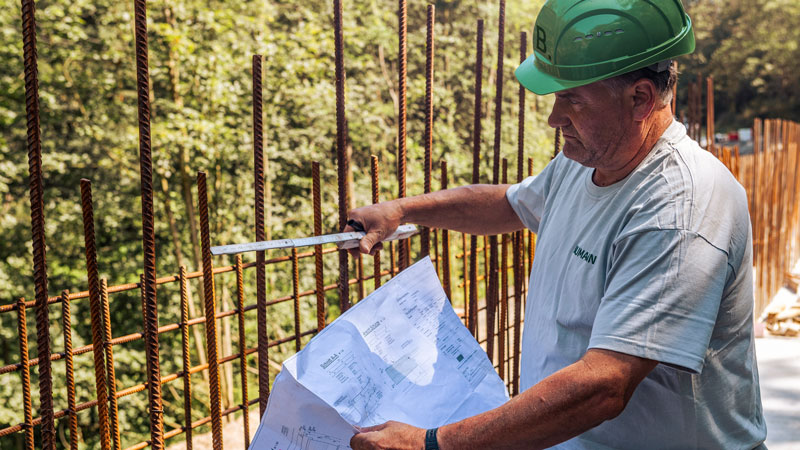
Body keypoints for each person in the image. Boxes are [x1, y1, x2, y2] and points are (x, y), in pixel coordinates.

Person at [347, 1, 766, 449]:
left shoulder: (679, 206)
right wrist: (405, 210)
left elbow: (606, 384)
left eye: (572, 99)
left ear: (640, 98)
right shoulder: (588, 159)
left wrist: (434, 443)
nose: (554, 118)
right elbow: (508, 205)